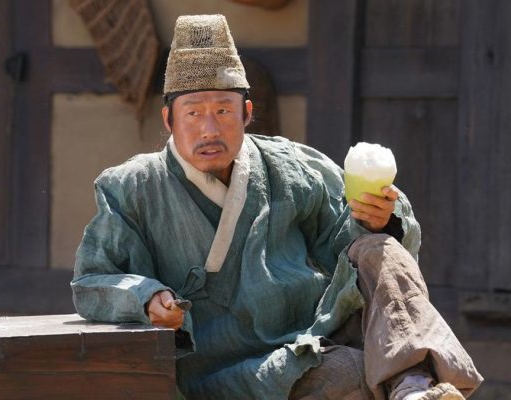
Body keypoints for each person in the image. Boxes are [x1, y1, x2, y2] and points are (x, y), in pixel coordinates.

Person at [71, 14, 482, 400]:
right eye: (193, 113)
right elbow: (91, 279)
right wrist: (146, 297)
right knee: (355, 371)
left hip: (310, 337)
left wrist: (379, 220)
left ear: (247, 113)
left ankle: (413, 386)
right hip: (226, 368)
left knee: (381, 248)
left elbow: (345, 248)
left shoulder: (291, 166)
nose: (209, 129)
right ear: (168, 120)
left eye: (223, 111)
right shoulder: (132, 187)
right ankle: (412, 384)